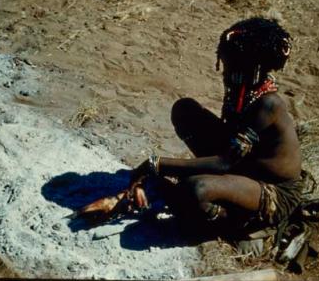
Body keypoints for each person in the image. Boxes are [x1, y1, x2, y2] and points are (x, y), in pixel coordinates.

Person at [130, 17, 305, 239]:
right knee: (184, 110)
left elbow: (224, 162)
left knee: (196, 190)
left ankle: (227, 222)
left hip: (272, 189)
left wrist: (155, 165)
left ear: (252, 67)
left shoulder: (268, 104)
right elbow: (229, 146)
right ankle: (214, 192)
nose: (224, 68)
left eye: (230, 62)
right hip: (243, 165)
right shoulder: (241, 89)